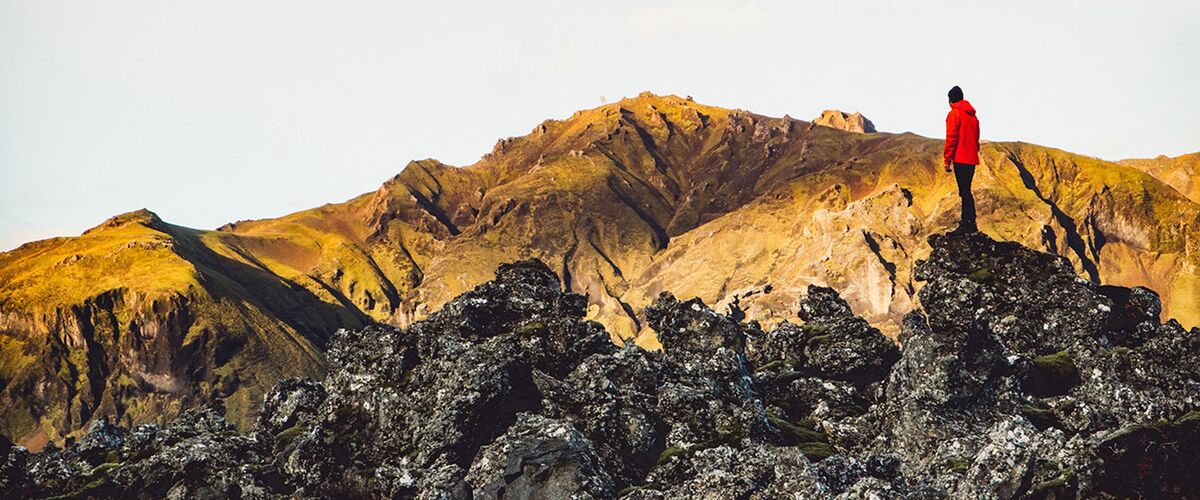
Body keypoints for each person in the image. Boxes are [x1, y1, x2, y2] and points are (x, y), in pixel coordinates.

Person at [944, 85, 980, 233]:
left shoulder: (954, 114)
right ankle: (970, 222)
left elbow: (951, 138)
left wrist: (947, 159)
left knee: (964, 191)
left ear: (951, 100)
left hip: (960, 157)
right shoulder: (973, 117)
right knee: (966, 191)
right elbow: (976, 138)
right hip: (971, 158)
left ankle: (967, 224)